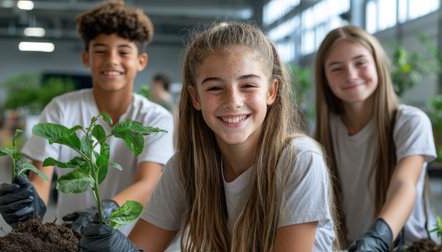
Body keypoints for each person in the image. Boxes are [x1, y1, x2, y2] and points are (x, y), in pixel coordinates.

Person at [79, 22, 337, 252]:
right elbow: (141, 246)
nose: (233, 101)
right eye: (215, 88)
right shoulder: (185, 166)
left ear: (271, 91)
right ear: (195, 98)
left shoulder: (300, 160)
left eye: (248, 85)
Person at [0, 0, 174, 236]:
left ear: (141, 61)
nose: (112, 60)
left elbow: (148, 183)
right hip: (70, 237)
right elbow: (41, 177)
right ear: (86, 58)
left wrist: (107, 209)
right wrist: (29, 205)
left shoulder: (155, 118)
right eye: (100, 50)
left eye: (123, 52)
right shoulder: (61, 109)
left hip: (130, 241)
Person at [313, 25, 437, 251]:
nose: (351, 75)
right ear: (325, 78)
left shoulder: (410, 122)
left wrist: (377, 240)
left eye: (360, 63)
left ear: (378, 65)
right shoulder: (323, 131)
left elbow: (404, 184)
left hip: (405, 247)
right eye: (336, 68)